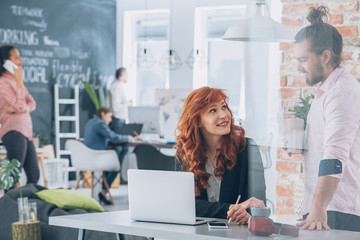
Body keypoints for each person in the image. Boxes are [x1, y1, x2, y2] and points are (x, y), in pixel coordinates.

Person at [293, 6, 360, 231]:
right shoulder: (327, 90)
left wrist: (319, 207)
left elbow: (334, 155)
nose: (298, 67)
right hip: (325, 207)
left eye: (303, 59)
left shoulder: (342, 92)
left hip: (337, 209)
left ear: (326, 56)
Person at [175, 87, 266, 224]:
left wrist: (248, 213)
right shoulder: (185, 151)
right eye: (213, 110)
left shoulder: (246, 148)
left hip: (237, 232)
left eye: (224, 107)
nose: (224, 115)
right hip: (197, 232)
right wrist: (230, 208)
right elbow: (185, 205)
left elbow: (257, 202)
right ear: (197, 121)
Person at [84, 107, 141, 205]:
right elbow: (114, 137)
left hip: (87, 157)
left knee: (121, 149)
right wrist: (131, 138)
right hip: (96, 157)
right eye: (109, 116)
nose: (110, 120)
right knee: (116, 165)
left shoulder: (90, 122)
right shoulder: (100, 124)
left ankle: (104, 191)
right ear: (103, 114)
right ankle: (104, 189)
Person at [0, 45, 40, 185]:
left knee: (34, 175)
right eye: (16, 57)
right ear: (7, 62)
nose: (20, 59)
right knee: (12, 174)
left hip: (26, 132)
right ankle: (7, 206)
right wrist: (19, 83)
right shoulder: (3, 83)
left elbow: (32, 103)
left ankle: (27, 205)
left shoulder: (16, 81)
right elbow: (20, 104)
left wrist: (20, 108)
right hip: (13, 132)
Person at [109, 67, 131, 183]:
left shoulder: (120, 87)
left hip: (121, 121)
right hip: (117, 121)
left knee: (124, 149)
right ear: (122, 75)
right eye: (126, 75)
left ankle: (115, 177)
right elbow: (116, 108)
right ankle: (109, 180)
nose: (127, 77)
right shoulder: (116, 87)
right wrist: (128, 103)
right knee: (118, 150)